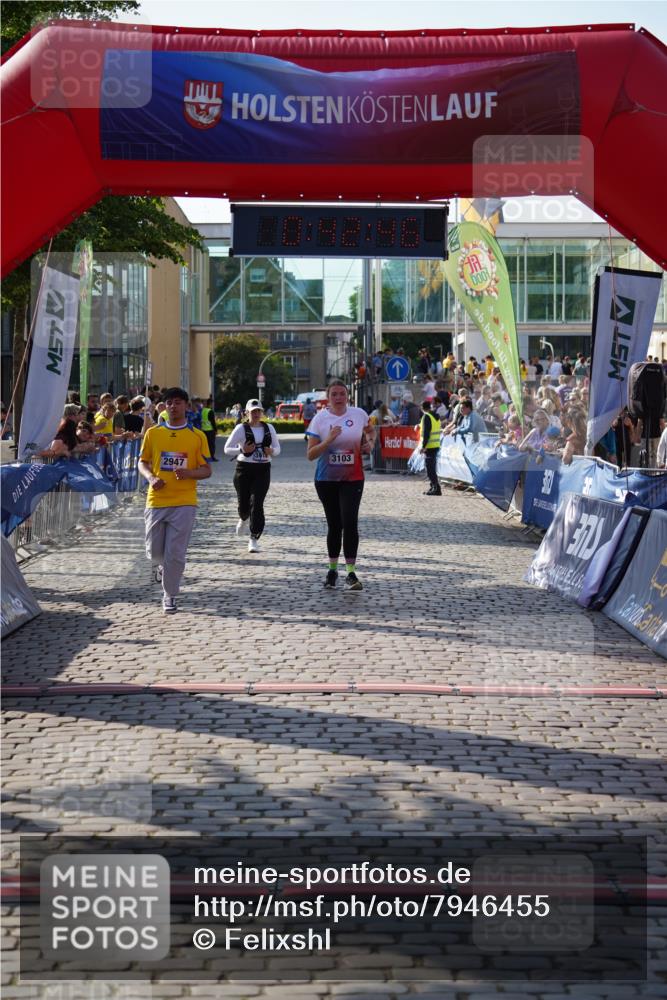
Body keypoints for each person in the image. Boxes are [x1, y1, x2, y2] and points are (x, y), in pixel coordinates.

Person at [138, 386, 212, 614]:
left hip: (184, 501)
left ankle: (169, 594)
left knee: (176, 553)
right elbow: (142, 462)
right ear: (165, 406)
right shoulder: (153, 433)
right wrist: (151, 477)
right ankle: (162, 567)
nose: (173, 406)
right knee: (155, 551)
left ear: (186, 407)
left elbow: (206, 469)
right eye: (169, 402)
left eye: (178, 402)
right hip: (157, 499)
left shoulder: (196, 436)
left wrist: (189, 473)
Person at [306, 379, 375, 591]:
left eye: (341, 394)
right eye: (334, 394)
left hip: (353, 478)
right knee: (335, 525)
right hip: (326, 480)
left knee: (350, 522)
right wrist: (329, 440)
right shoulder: (320, 419)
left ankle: (351, 573)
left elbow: (371, 430)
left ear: (347, 396)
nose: (338, 397)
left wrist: (369, 443)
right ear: (328, 397)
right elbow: (310, 454)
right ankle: (332, 570)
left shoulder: (358, 414)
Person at [223, 398, 281, 553]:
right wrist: (242, 451)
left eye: (258, 411)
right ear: (246, 413)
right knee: (244, 506)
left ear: (261, 412)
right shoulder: (241, 429)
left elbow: (277, 448)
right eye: (253, 411)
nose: (256, 414)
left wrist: (272, 452)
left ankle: (254, 538)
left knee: (257, 503)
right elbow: (227, 449)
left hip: (262, 469)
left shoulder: (269, 428)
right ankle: (243, 518)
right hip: (244, 469)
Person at [419, 400, 442, 496]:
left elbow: (426, 433)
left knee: (430, 469)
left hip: (429, 446)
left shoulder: (426, 416)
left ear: (422, 408)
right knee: (431, 468)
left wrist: (423, 446)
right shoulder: (435, 416)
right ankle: (433, 486)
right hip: (435, 445)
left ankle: (436, 488)